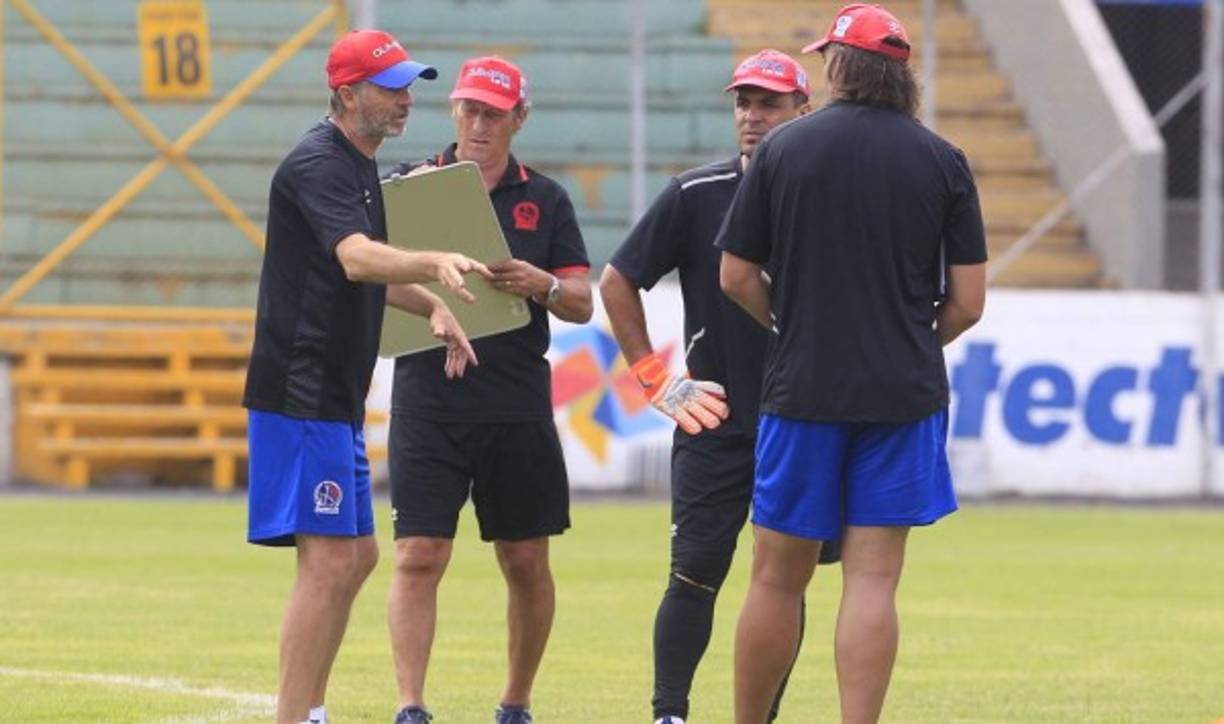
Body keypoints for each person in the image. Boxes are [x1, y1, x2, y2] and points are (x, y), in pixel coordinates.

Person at [717, 5, 988, 723]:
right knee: (873, 579)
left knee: (777, 577)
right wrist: (911, 341)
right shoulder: (943, 159)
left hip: (802, 386)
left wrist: (790, 325)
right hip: (902, 394)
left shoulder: (784, 150)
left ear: (837, 67)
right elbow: (968, 301)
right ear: (902, 74)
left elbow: (735, 275)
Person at [242, 29, 491, 724]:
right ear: (347, 94)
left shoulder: (357, 165)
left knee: (355, 558)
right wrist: (432, 261)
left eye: (409, 85)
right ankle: (296, 717)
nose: (406, 99)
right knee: (327, 564)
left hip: (331, 398)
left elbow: (364, 271)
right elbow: (356, 259)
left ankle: (308, 710)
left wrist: (432, 304)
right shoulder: (318, 164)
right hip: (301, 393)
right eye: (390, 87)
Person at [599, 49, 841, 724]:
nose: (753, 116)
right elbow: (618, 281)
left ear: (804, 111)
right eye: (744, 102)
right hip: (715, 420)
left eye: (769, 103)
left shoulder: (825, 201)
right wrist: (655, 377)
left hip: (802, 420)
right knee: (694, 573)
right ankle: (669, 714)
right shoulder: (695, 194)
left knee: (785, 581)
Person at [383, 56, 593, 724]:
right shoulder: (410, 188)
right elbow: (363, 275)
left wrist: (545, 285)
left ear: (518, 119)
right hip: (427, 395)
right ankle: (410, 706)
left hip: (515, 400)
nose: (479, 124)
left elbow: (584, 303)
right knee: (419, 553)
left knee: (527, 558)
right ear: (453, 112)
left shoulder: (548, 200)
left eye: (493, 114)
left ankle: (516, 701)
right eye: (470, 110)